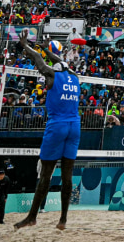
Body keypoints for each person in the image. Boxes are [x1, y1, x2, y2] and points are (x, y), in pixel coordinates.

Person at [14, 35, 81, 231]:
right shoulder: (74, 77)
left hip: (57, 126)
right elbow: (59, 62)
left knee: (45, 175)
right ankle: (63, 220)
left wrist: (26, 45)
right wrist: (48, 50)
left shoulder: (52, 76)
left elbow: (39, 62)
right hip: (74, 126)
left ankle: (32, 217)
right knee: (67, 176)